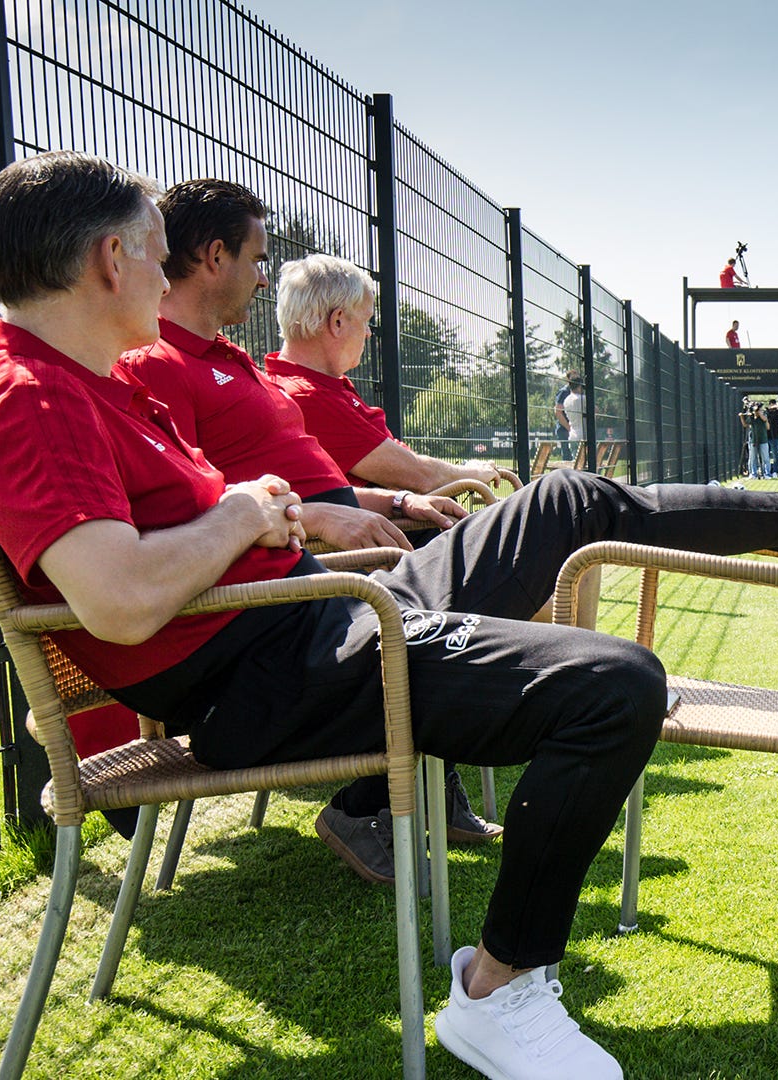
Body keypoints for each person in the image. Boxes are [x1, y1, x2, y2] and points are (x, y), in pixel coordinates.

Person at [0, 152, 778, 1080]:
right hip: (272, 672)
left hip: (314, 617)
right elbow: (116, 602)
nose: (165, 267)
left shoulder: (97, 384)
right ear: (109, 259)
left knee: (565, 500)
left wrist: (265, 512)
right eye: (156, 246)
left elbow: (165, 545)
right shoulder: (26, 399)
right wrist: (242, 510)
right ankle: (496, 991)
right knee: (614, 685)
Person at [117, 180, 501, 862]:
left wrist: (399, 503)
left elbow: (315, 478)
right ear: (214, 257)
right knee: (490, 565)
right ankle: (373, 798)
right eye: (257, 259)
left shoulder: (229, 359)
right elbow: (191, 499)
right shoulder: (159, 365)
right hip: (296, 581)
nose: (264, 280)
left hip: (327, 553)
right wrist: (323, 515)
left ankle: (432, 777)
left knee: (490, 555)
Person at [258, 256, 504, 496]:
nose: (368, 333)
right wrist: (473, 473)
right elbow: (418, 476)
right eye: (366, 321)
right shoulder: (307, 396)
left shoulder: (317, 386)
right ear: (338, 322)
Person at [764, 399, 778, 478]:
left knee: (775, 456)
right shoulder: (766, 412)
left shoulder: (777, 412)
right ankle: (767, 471)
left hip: (774, 436)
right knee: (766, 455)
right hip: (766, 436)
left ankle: (775, 471)